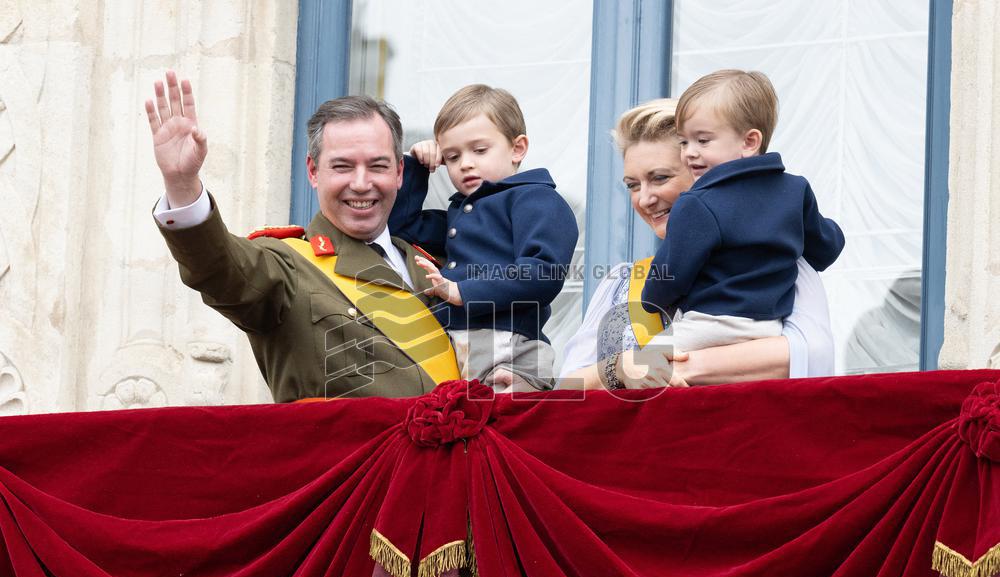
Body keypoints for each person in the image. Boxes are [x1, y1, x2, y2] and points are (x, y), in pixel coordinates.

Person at [144, 71, 459, 401]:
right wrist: (182, 184)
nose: (362, 183)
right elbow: (220, 270)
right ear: (312, 171)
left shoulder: (431, 263)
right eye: (342, 167)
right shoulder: (288, 263)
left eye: (378, 166)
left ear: (399, 173)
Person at [559, 98, 835, 390]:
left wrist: (669, 366)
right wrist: (620, 368)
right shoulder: (622, 281)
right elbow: (567, 386)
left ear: (704, 172)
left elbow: (809, 354)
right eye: (633, 185)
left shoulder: (777, 260)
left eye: (660, 177)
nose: (644, 199)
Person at [387, 84, 578, 392]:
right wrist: (415, 167)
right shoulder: (460, 214)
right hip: (455, 347)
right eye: (451, 156)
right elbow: (400, 226)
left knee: (511, 431)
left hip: (510, 349)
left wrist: (462, 291)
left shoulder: (538, 200)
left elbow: (544, 273)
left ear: (517, 148)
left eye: (479, 150)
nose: (465, 163)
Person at [640, 69, 845, 354]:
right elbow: (826, 248)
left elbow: (671, 274)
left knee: (638, 368)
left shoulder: (697, 203)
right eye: (684, 141)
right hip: (771, 329)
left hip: (709, 326)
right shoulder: (795, 191)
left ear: (749, 142)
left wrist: (650, 300)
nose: (689, 153)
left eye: (703, 140)